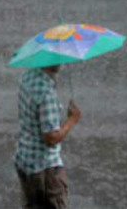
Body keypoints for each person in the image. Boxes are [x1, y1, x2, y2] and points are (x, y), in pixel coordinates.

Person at [14, 64, 81, 209]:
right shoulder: (46, 93)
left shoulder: (28, 76)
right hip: (45, 168)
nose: (61, 62)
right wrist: (72, 120)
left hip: (25, 159)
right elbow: (51, 138)